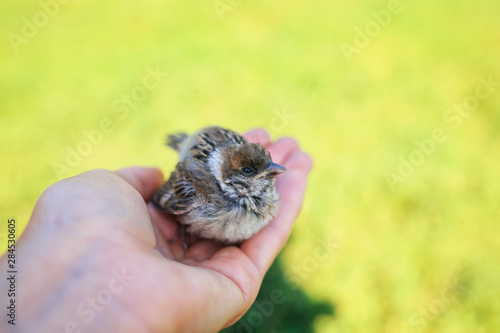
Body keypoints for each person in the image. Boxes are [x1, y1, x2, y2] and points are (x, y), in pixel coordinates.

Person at [0, 129, 312, 333]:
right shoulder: (203, 189)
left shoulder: (261, 182)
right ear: (231, 176)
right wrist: (169, 212)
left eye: (269, 166)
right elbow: (169, 198)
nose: (272, 173)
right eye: (251, 172)